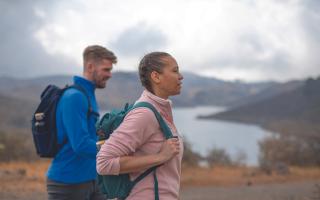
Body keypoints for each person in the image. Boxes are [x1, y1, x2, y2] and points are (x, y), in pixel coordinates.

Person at [97, 52, 184, 199]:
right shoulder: (145, 114)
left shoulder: (159, 110)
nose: (180, 76)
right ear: (156, 77)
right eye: (175, 71)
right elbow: (104, 162)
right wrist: (160, 157)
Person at [46, 45, 117, 200]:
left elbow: (92, 137)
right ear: (90, 67)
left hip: (92, 177)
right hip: (68, 182)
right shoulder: (74, 97)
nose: (110, 74)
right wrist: (115, 152)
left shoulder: (87, 94)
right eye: (106, 69)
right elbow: (80, 144)